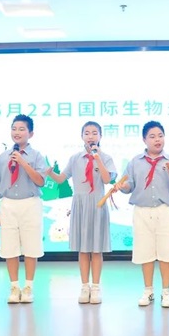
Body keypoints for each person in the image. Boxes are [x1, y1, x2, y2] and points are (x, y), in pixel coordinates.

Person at [115, 121, 169, 308]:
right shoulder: (135, 162)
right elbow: (129, 186)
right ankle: (148, 291)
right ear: (144, 140)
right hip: (142, 211)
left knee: (166, 252)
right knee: (144, 252)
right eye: (152, 137)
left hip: (165, 210)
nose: (157, 140)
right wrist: (122, 186)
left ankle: (166, 292)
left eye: (160, 135)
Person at [47, 121, 116, 304]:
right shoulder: (75, 158)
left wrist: (98, 159)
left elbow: (107, 179)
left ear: (100, 136)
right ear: (82, 136)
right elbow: (61, 178)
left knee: (97, 249)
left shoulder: (106, 157)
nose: (90, 136)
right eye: (87, 133)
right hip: (80, 205)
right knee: (83, 249)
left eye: (94, 133)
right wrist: (49, 173)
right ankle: (85, 287)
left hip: (97, 205)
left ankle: (96, 287)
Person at [0, 114, 47, 304]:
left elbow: (40, 181)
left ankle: (28, 287)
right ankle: (14, 287)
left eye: (21, 129)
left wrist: (23, 162)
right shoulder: (3, 157)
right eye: (14, 129)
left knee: (31, 247)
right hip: (8, 204)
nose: (17, 132)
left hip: (30, 203)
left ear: (31, 133)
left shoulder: (36, 156)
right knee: (9, 247)